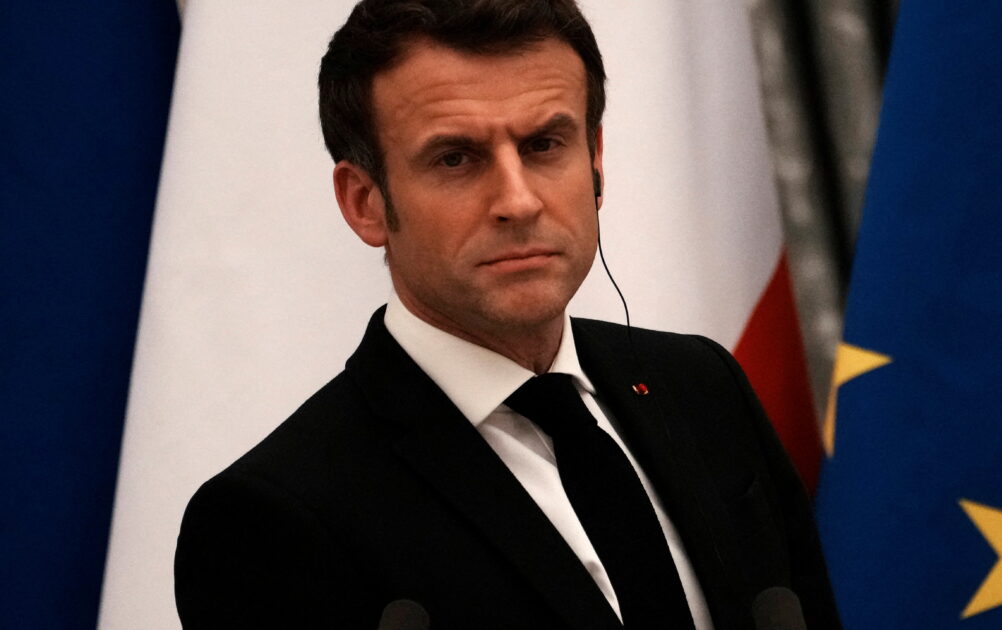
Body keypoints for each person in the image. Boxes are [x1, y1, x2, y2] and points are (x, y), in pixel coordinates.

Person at [173, 1, 841, 628]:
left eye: (544, 144)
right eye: (456, 158)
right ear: (364, 202)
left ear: (596, 160)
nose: (518, 202)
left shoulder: (701, 386)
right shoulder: (271, 519)